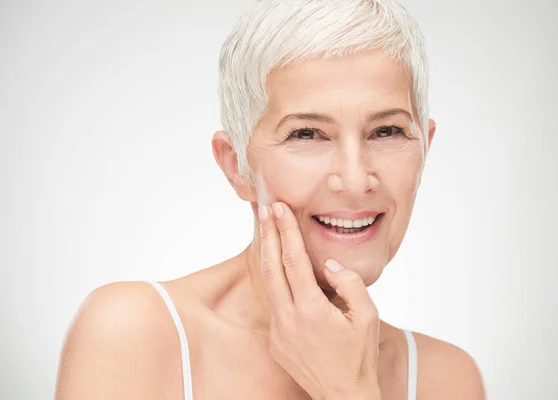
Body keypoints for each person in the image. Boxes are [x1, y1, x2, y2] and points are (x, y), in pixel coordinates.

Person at [55, 1, 486, 399]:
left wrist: (347, 389)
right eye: (307, 134)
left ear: (425, 150)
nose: (355, 181)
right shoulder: (132, 332)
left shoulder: (445, 379)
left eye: (386, 131)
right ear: (236, 166)